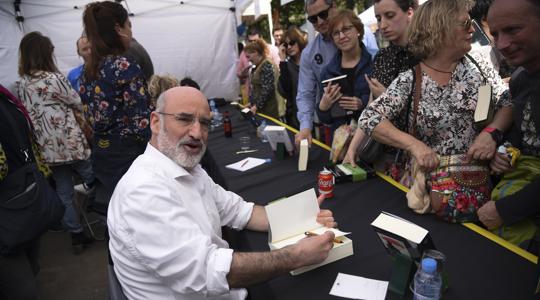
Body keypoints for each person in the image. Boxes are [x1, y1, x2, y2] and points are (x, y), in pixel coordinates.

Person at [108, 86, 337, 299]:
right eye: (185, 119)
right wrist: (294, 256)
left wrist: (299, 218)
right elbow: (206, 271)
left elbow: (238, 210)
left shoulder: (189, 170)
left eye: (205, 123)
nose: (197, 133)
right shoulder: (143, 191)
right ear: (156, 122)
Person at [357, 0, 512, 186]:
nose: (472, 29)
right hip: (430, 191)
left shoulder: (479, 66)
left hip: (478, 186)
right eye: (465, 24)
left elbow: (508, 102)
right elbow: (370, 118)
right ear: (440, 28)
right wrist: (414, 145)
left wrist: (491, 133)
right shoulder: (411, 79)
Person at [17, 31, 95, 253]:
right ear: (45, 54)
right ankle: (105, 215)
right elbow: (76, 101)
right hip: (70, 142)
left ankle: (76, 234)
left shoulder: (21, 84)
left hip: (47, 148)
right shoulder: (55, 79)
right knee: (93, 176)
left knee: (63, 191)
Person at [79, 1, 153, 212]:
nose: (131, 31)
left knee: (119, 212)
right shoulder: (123, 66)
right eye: (129, 25)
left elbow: (91, 118)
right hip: (129, 158)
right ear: (118, 29)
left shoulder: (87, 70)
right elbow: (142, 124)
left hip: (103, 155)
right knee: (140, 213)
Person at [477, 0, 540, 246]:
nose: (501, 44)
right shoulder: (519, 80)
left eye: (513, 29)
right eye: (495, 34)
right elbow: (523, 133)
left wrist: (505, 210)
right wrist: (503, 152)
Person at [343, 0, 419, 167]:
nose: (383, 25)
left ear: (410, 12)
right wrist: (353, 147)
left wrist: (389, 98)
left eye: (390, 16)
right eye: (378, 18)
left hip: (419, 154)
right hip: (386, 154)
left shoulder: (426, 54)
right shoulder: (382, 57)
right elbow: (373, 106)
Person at [0, 85, 52, 299]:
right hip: (8, 210)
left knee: (31, 268)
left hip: (23, 198)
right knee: (23, 289)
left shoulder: (5, 95)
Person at [316, 10, 373, 133]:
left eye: (346, 29)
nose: (341, 36)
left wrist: (362, 103)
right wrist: (323, 107)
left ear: (358, 30)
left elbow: (385, 103)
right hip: (340, 143)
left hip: (369, 139)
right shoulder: (327, 72)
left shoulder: (374, 63)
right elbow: (326, 119)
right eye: (336, 33)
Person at [295, 0, 339, 147]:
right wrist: (305, 127)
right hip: (333, 125)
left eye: (323, 14)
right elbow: (305, 93)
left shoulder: (362, 37)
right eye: (313, 19)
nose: (319, 22)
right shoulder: (309, 53)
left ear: (334, 6)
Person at [278, 26, 307, 129]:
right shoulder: (286, 66)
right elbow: (285, 91)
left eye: (292, 43)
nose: (289, 47)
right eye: (286, 45)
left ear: (299, 41)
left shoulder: (310, 60)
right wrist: (282, 61)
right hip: (296, 117)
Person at [244, 39, 281, 119]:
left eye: (248, 56)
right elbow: (257, 89)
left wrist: (256, 106)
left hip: (273, 111)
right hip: (266, 110)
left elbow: (267, 89)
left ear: (255, 52)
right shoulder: (259, 65)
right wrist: (252, 103)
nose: (248, 60)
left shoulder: (267, 65)